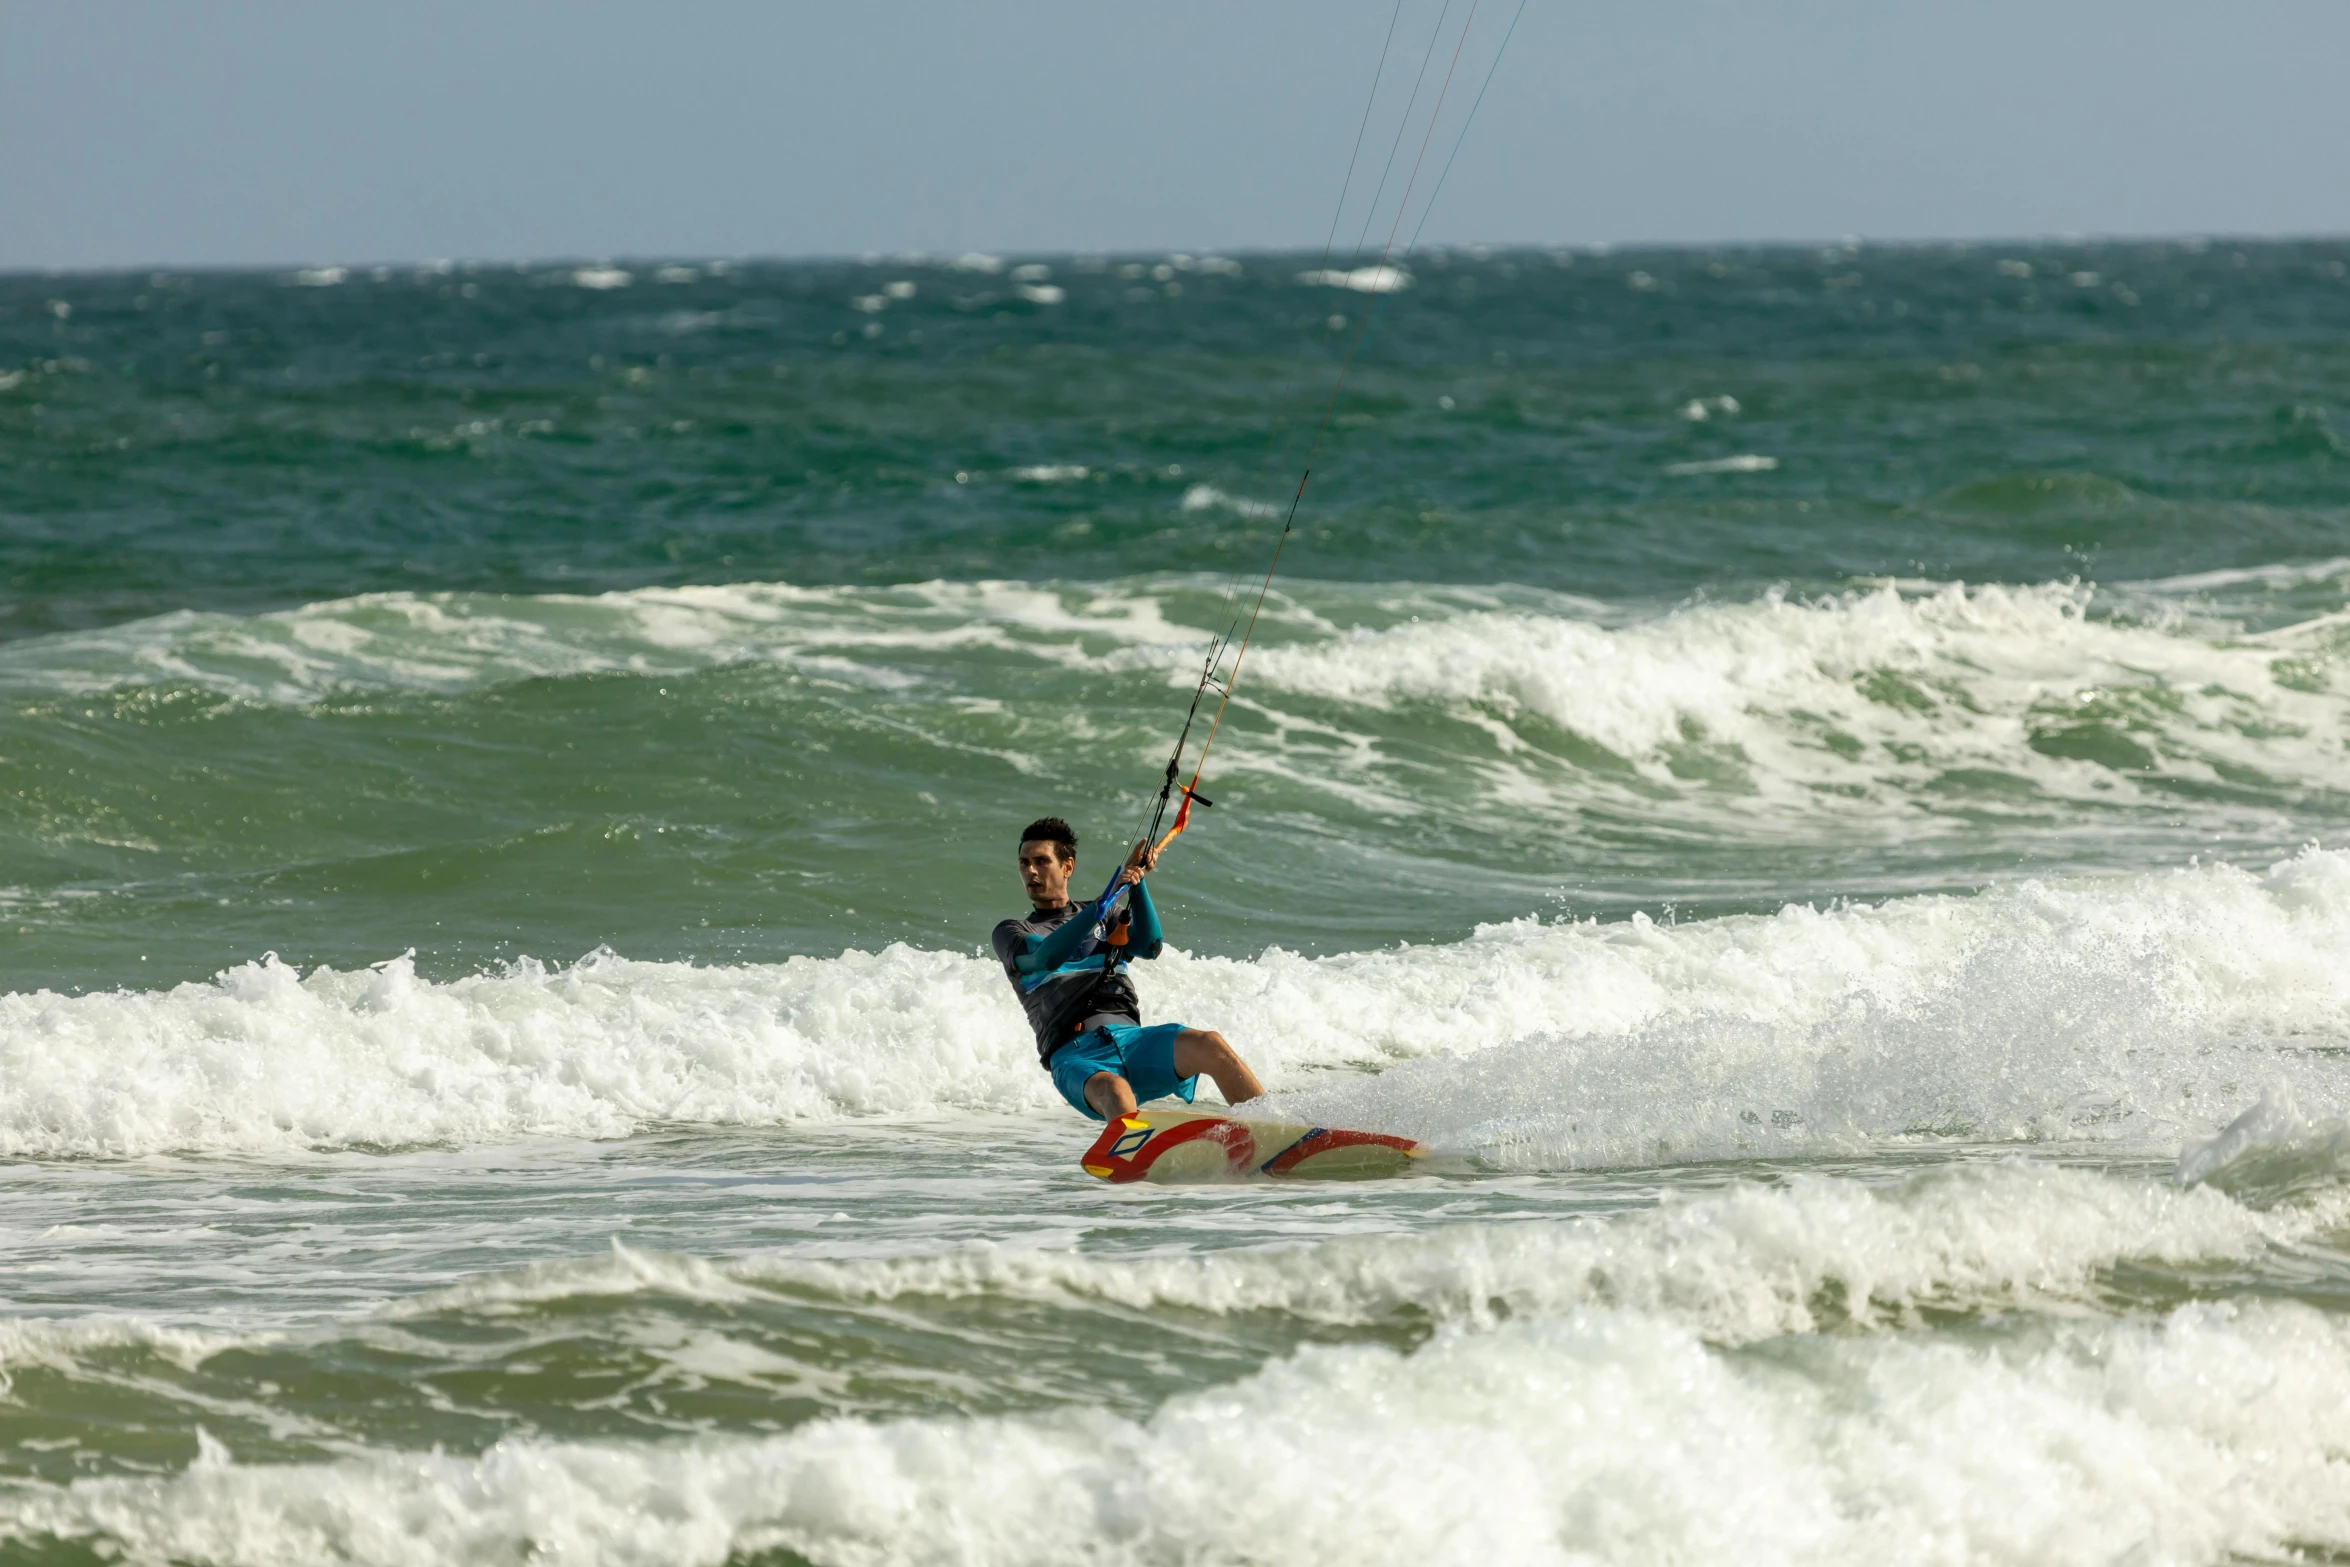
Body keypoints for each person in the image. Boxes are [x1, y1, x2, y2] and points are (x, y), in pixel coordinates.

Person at [991, 815, 1264, 1121]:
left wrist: (1138, 883)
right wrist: (1102, 903)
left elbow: (1150, 947)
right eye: (1024, 862)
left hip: (1133, 1043)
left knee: (1209, 1044)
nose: (1030, 870)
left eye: (1041, 861)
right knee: (1116, 1090)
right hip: (1076, 1058)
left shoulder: (1108, 919)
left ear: (1067, 867)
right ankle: (1134, 1161)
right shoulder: (1012, 932)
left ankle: (1271, 1129)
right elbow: (1046, 959)